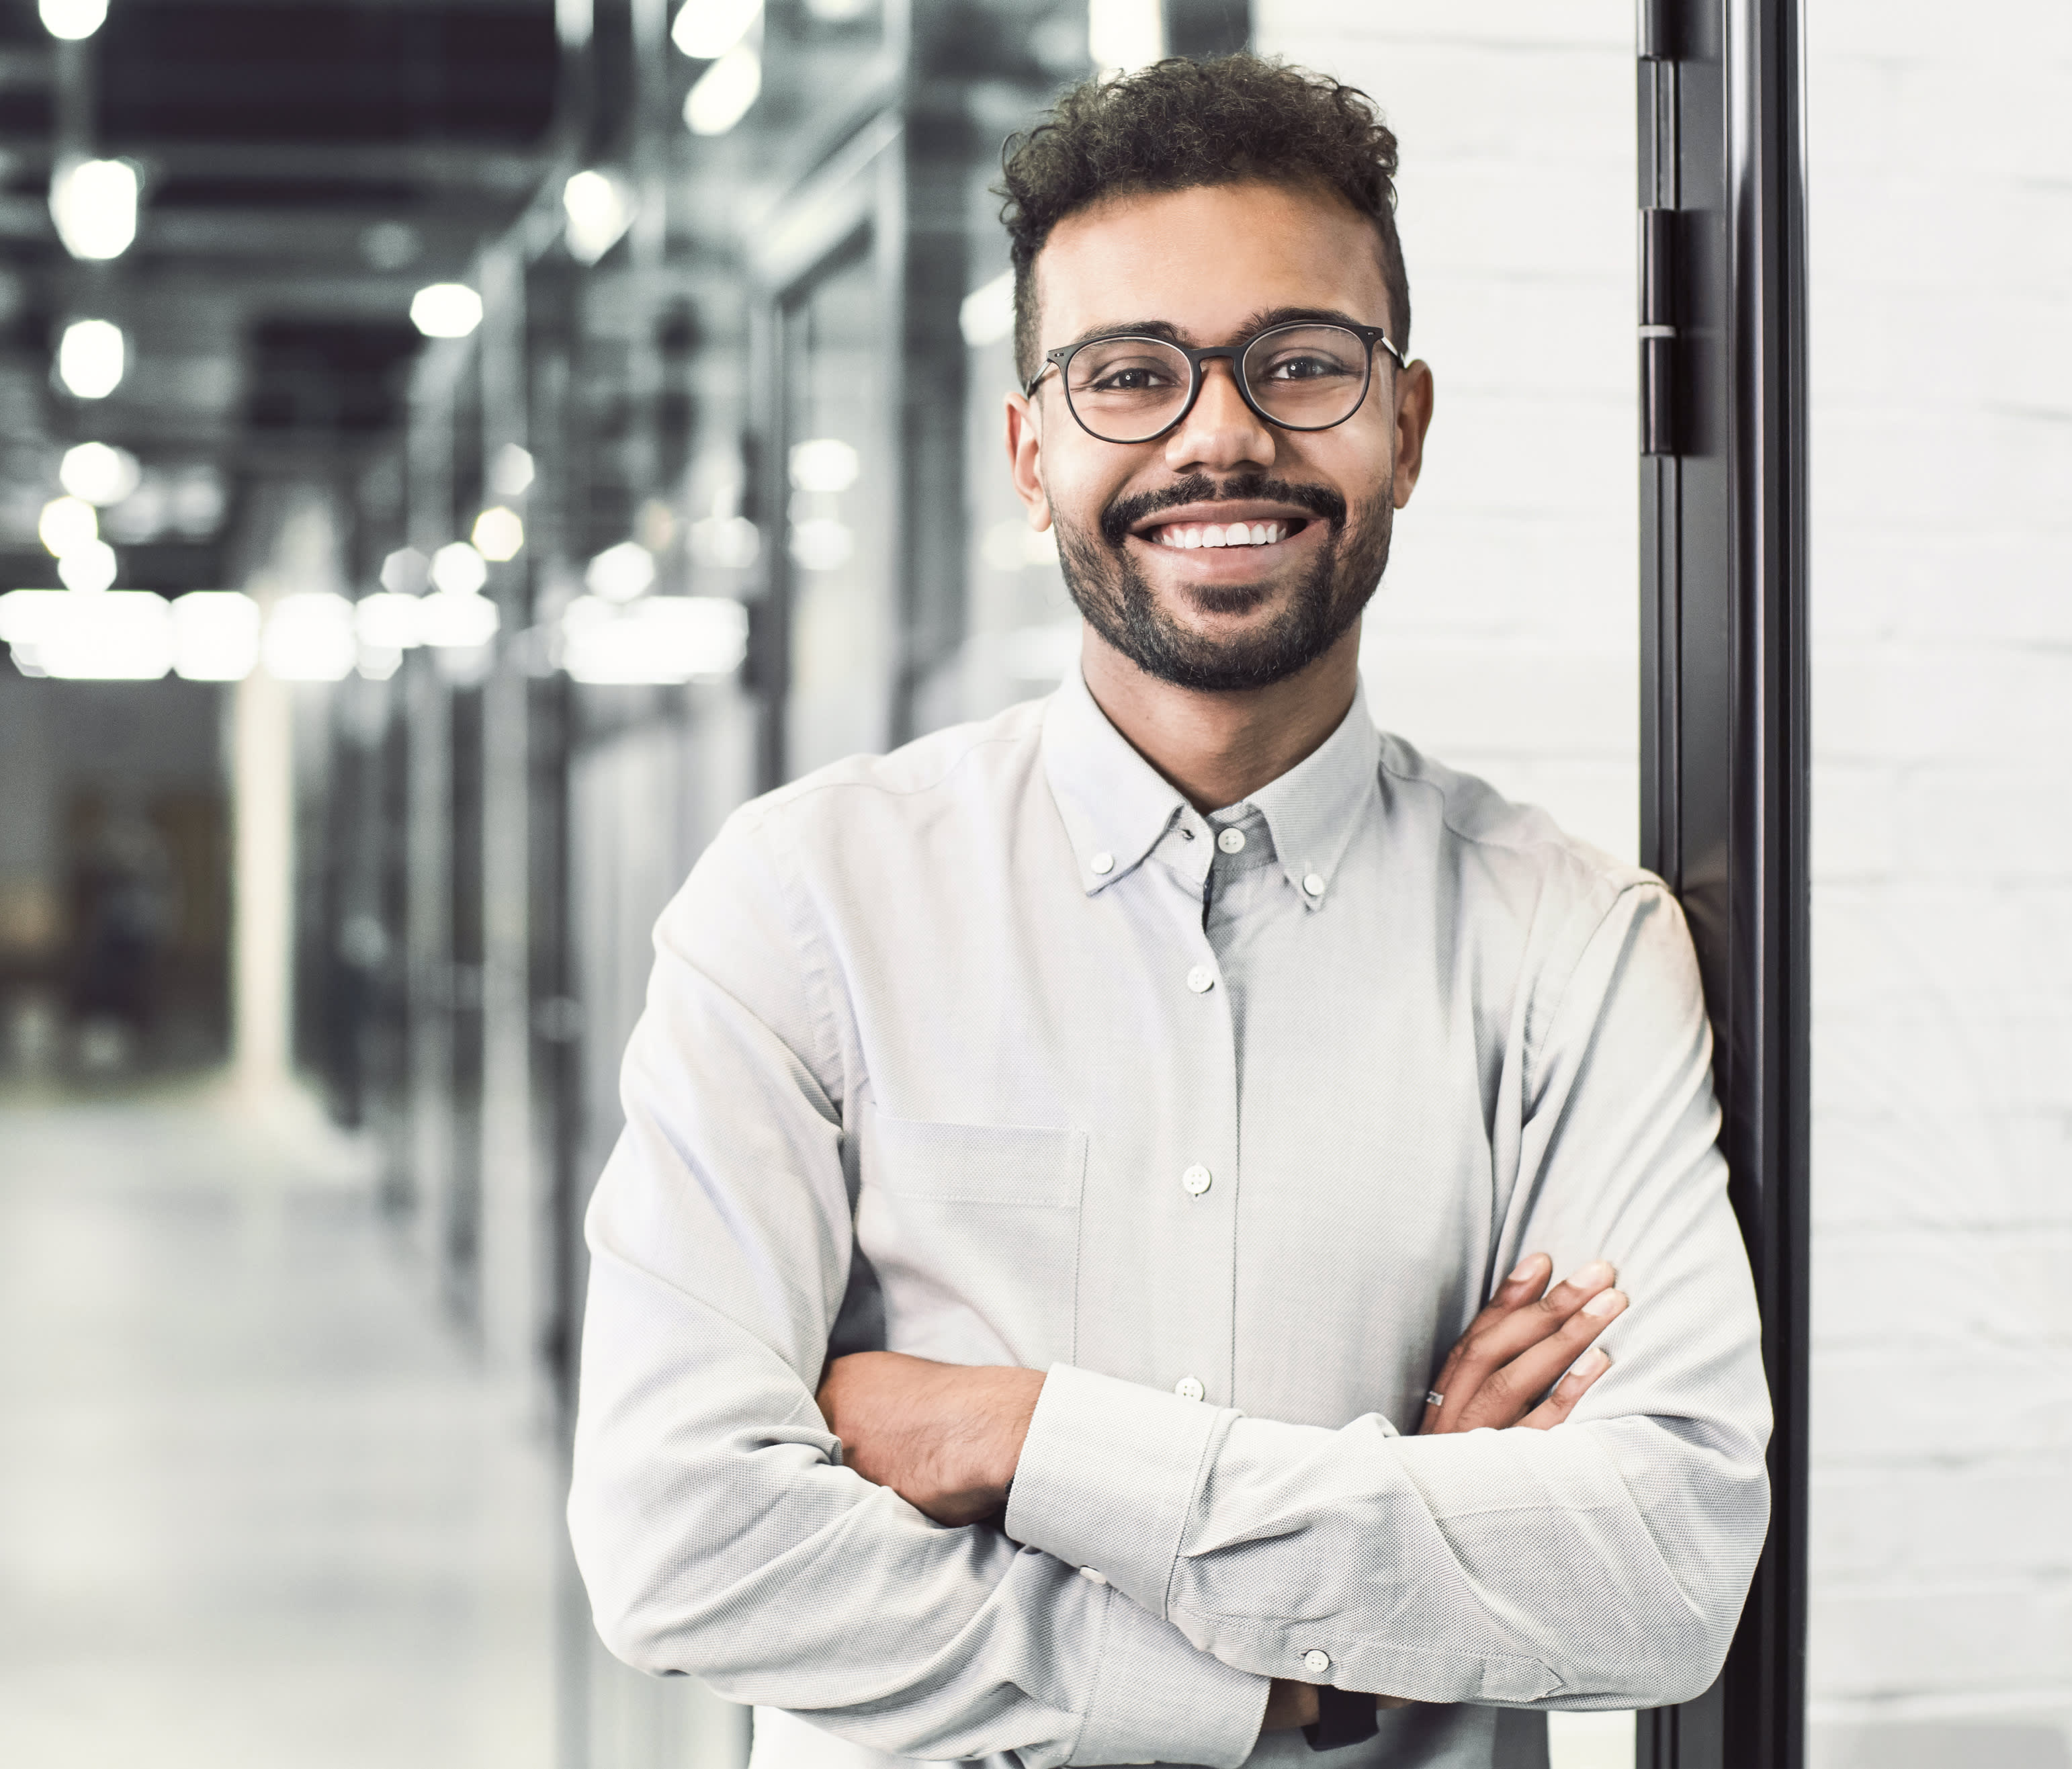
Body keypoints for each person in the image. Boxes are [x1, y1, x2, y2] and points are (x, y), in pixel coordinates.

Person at [569, 54, 1770, 1769]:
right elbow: (678, 1543)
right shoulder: (807, 904)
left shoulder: (1571, 948)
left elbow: (1656, 1573)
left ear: (1404, 426)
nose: (1218, 432)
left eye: (1300, 363)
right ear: (1029, 447)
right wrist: (1313, 1652)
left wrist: (1019, 1434)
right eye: (1129, 375)